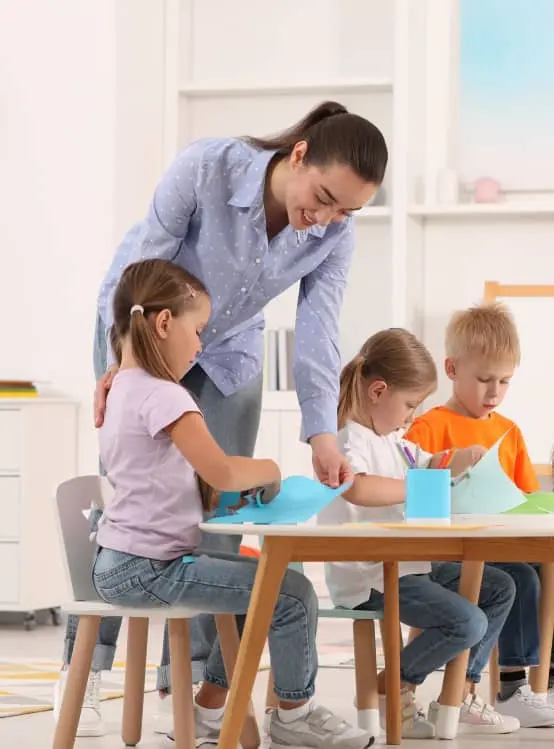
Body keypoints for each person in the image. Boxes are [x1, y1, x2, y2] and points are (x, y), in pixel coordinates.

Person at [53, 100, 389, 737]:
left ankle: (199, 696)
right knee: (130, 507)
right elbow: (141, 272)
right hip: (143, 333)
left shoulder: (333, 235)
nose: (326, 218)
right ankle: (87, 671)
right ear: (298, 156)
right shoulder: (208, 167)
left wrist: (321, 432)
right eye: (322, 197)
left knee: (220, 519)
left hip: (229, 352)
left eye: (346, 210)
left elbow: (319, 331)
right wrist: (116, 360)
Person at [91, 258, 375, 749]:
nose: (201, 345)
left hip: (120, 561)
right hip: (152, 568)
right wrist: (269, 470)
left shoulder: (119, 389)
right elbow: (219, 468)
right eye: (198, 330)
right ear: (163, 324)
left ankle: (208, 710)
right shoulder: (167, 396)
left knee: (262, 585)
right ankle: (294, 714)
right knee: (292, 594)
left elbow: (163, 476)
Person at [318, 328, 519, 739]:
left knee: (500, 586)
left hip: (409, 566)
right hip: (370, 574)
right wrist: (420, 486)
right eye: (410, 404)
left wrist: (460, 459)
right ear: (378, 391)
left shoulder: (394, 440)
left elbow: (428, 461)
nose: (412, 416)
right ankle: (394, 684)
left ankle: (458, 691)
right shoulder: (347, 440)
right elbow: (357, 486)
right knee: (467, 623)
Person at [405, 302, 554, 728]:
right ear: (451, 369)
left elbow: (526, 498)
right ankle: (508, 686)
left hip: (495, 546)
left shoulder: (509, 431)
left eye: (505, 381)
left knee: (535, 570)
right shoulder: (428, 428)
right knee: (521, 578)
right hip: (443, 554)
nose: (494, 392)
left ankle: (519, 686)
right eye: (485, 379)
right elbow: (410, 496)